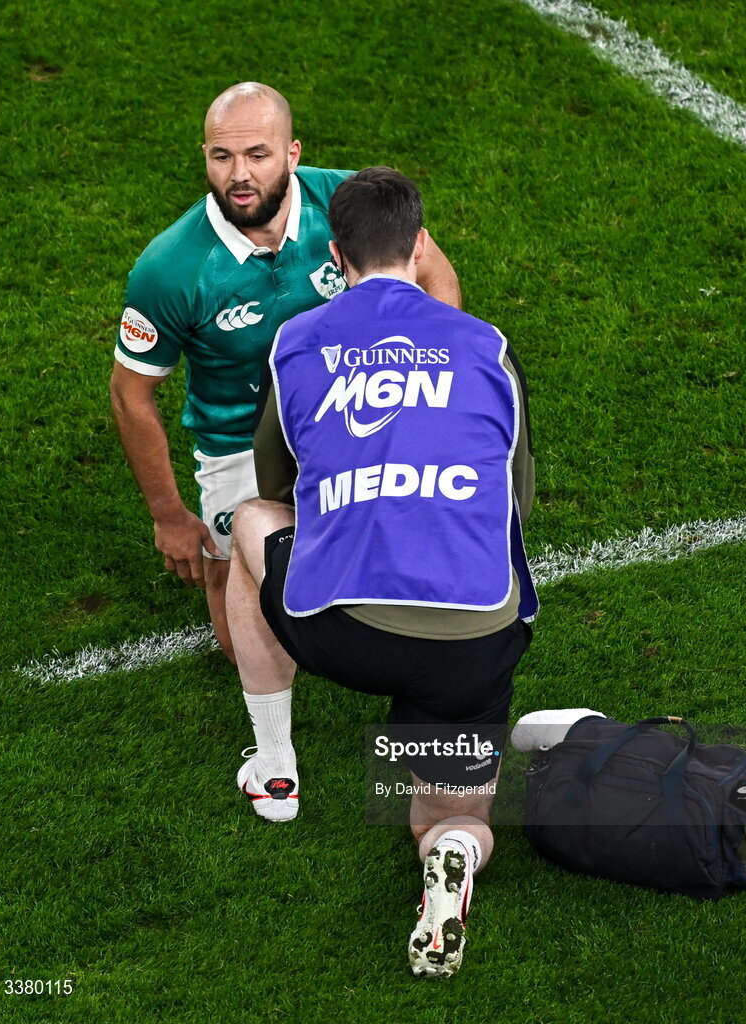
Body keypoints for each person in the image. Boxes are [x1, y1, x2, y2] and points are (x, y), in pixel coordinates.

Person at [225, 167, 537, 976]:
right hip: (474, 635)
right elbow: (513, 502)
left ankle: (276, 769)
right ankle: (453, 854)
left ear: (337, 257)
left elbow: (274, 486)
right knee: (448, 810)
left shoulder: (297, 343)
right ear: (421, 244)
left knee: (251, 524)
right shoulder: (488, 347)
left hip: (347, 632)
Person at [110, 83, 460, 662]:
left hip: (352, 412)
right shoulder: (170, 268)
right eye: (222, 157)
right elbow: (131, 397)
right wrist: (169, 516)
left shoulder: (346, 205)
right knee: (239, 622)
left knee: (400, 571)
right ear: (204, 156)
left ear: (292, 154)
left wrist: (423, 389)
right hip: (238, 438)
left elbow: (436, 275)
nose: (239, 175)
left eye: (258, 155)